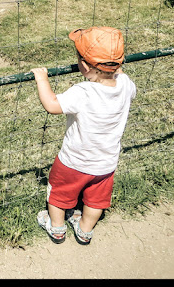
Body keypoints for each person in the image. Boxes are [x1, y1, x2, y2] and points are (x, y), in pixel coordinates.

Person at [31, 26, 136, 245]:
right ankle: (85, 230)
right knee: (96, 200)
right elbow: (120, 74)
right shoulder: (126, 85)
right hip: (106, 164)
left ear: (85, 65)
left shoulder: (84, 92)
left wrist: (42, 78)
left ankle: (57, 227)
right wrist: (115, 64)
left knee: (58, 194)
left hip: (73, 161)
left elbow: (52, 105)